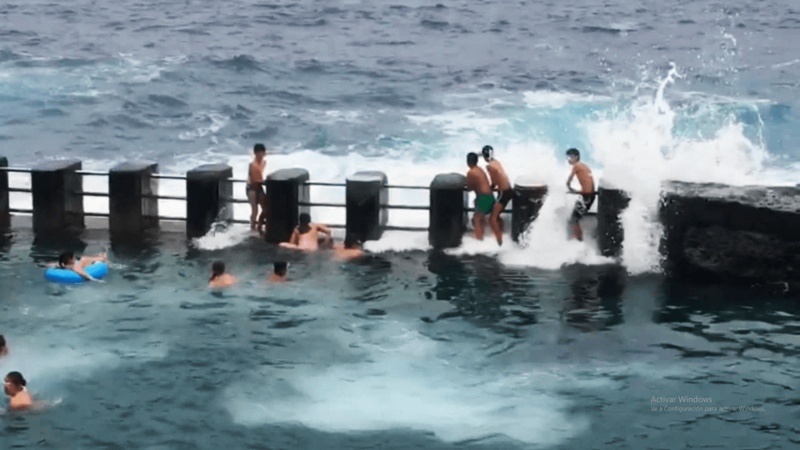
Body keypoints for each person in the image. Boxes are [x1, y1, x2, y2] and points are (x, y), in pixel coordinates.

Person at [482, 145, 513, 246]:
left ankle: (499, 243)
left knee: (492, 218)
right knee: (497, 214)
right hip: (508, 190)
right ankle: (502, 234)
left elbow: (494, 182)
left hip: (503, 192)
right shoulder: (496, 162)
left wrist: (489, 189)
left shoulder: (489, 166)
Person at [466, 152, 500, 241]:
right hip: (490, 197)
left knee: (476, 219)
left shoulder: (470, 172)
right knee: (480, 216)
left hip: (484, 198)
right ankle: (484, 235)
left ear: (468, 162)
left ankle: (479, 240)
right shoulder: (479, 169)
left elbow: (469, 188)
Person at [565, 148, 595, 241]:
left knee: (573, 219)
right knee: (575, 217)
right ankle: (579, 238)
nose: (568, 160)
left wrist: (571, 189)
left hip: (586, 197)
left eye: (569, 157)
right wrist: (579, 192)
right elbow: (589, 185)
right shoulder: (584, 166)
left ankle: (577, 241)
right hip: (588, 196)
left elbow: (568, 183)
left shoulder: (576, 166)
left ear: (575, 157)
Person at [248, 143, 268, 234]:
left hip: (259, 187)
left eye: (262, 153)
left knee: (266, 208)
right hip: (252, 188)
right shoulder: (252, 165)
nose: (261, 155)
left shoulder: (264, 163)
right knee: (254, 209)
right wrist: (265, 182)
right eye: (259, 153)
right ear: (255, 153)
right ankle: (252, 228)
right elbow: (254, 180)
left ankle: (260, 225)